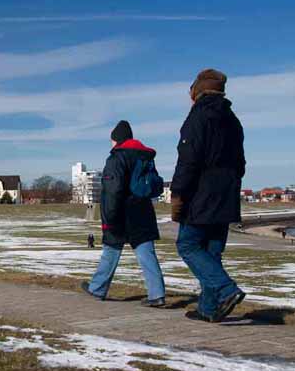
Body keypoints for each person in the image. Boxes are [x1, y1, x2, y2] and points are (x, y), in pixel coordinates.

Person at [171, 69, 247, 323]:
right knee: (212, 252)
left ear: (197, 91)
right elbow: (241, 164)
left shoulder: (198, 117)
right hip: (226, 195)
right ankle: (209, 308)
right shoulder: (233, 120)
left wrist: (178, 192)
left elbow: (188, 161)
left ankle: (226, 289)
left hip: (201, 195)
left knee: (188, 245)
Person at [81, 120, 166, 306]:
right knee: (146, 252)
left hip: (121, 212)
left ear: (116, 140)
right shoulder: (145, 157)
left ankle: (97, 288)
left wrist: (109, 217)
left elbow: (113, 190)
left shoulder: (116, 158)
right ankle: (157, 293)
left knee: (111, 250)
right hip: (142, 211)